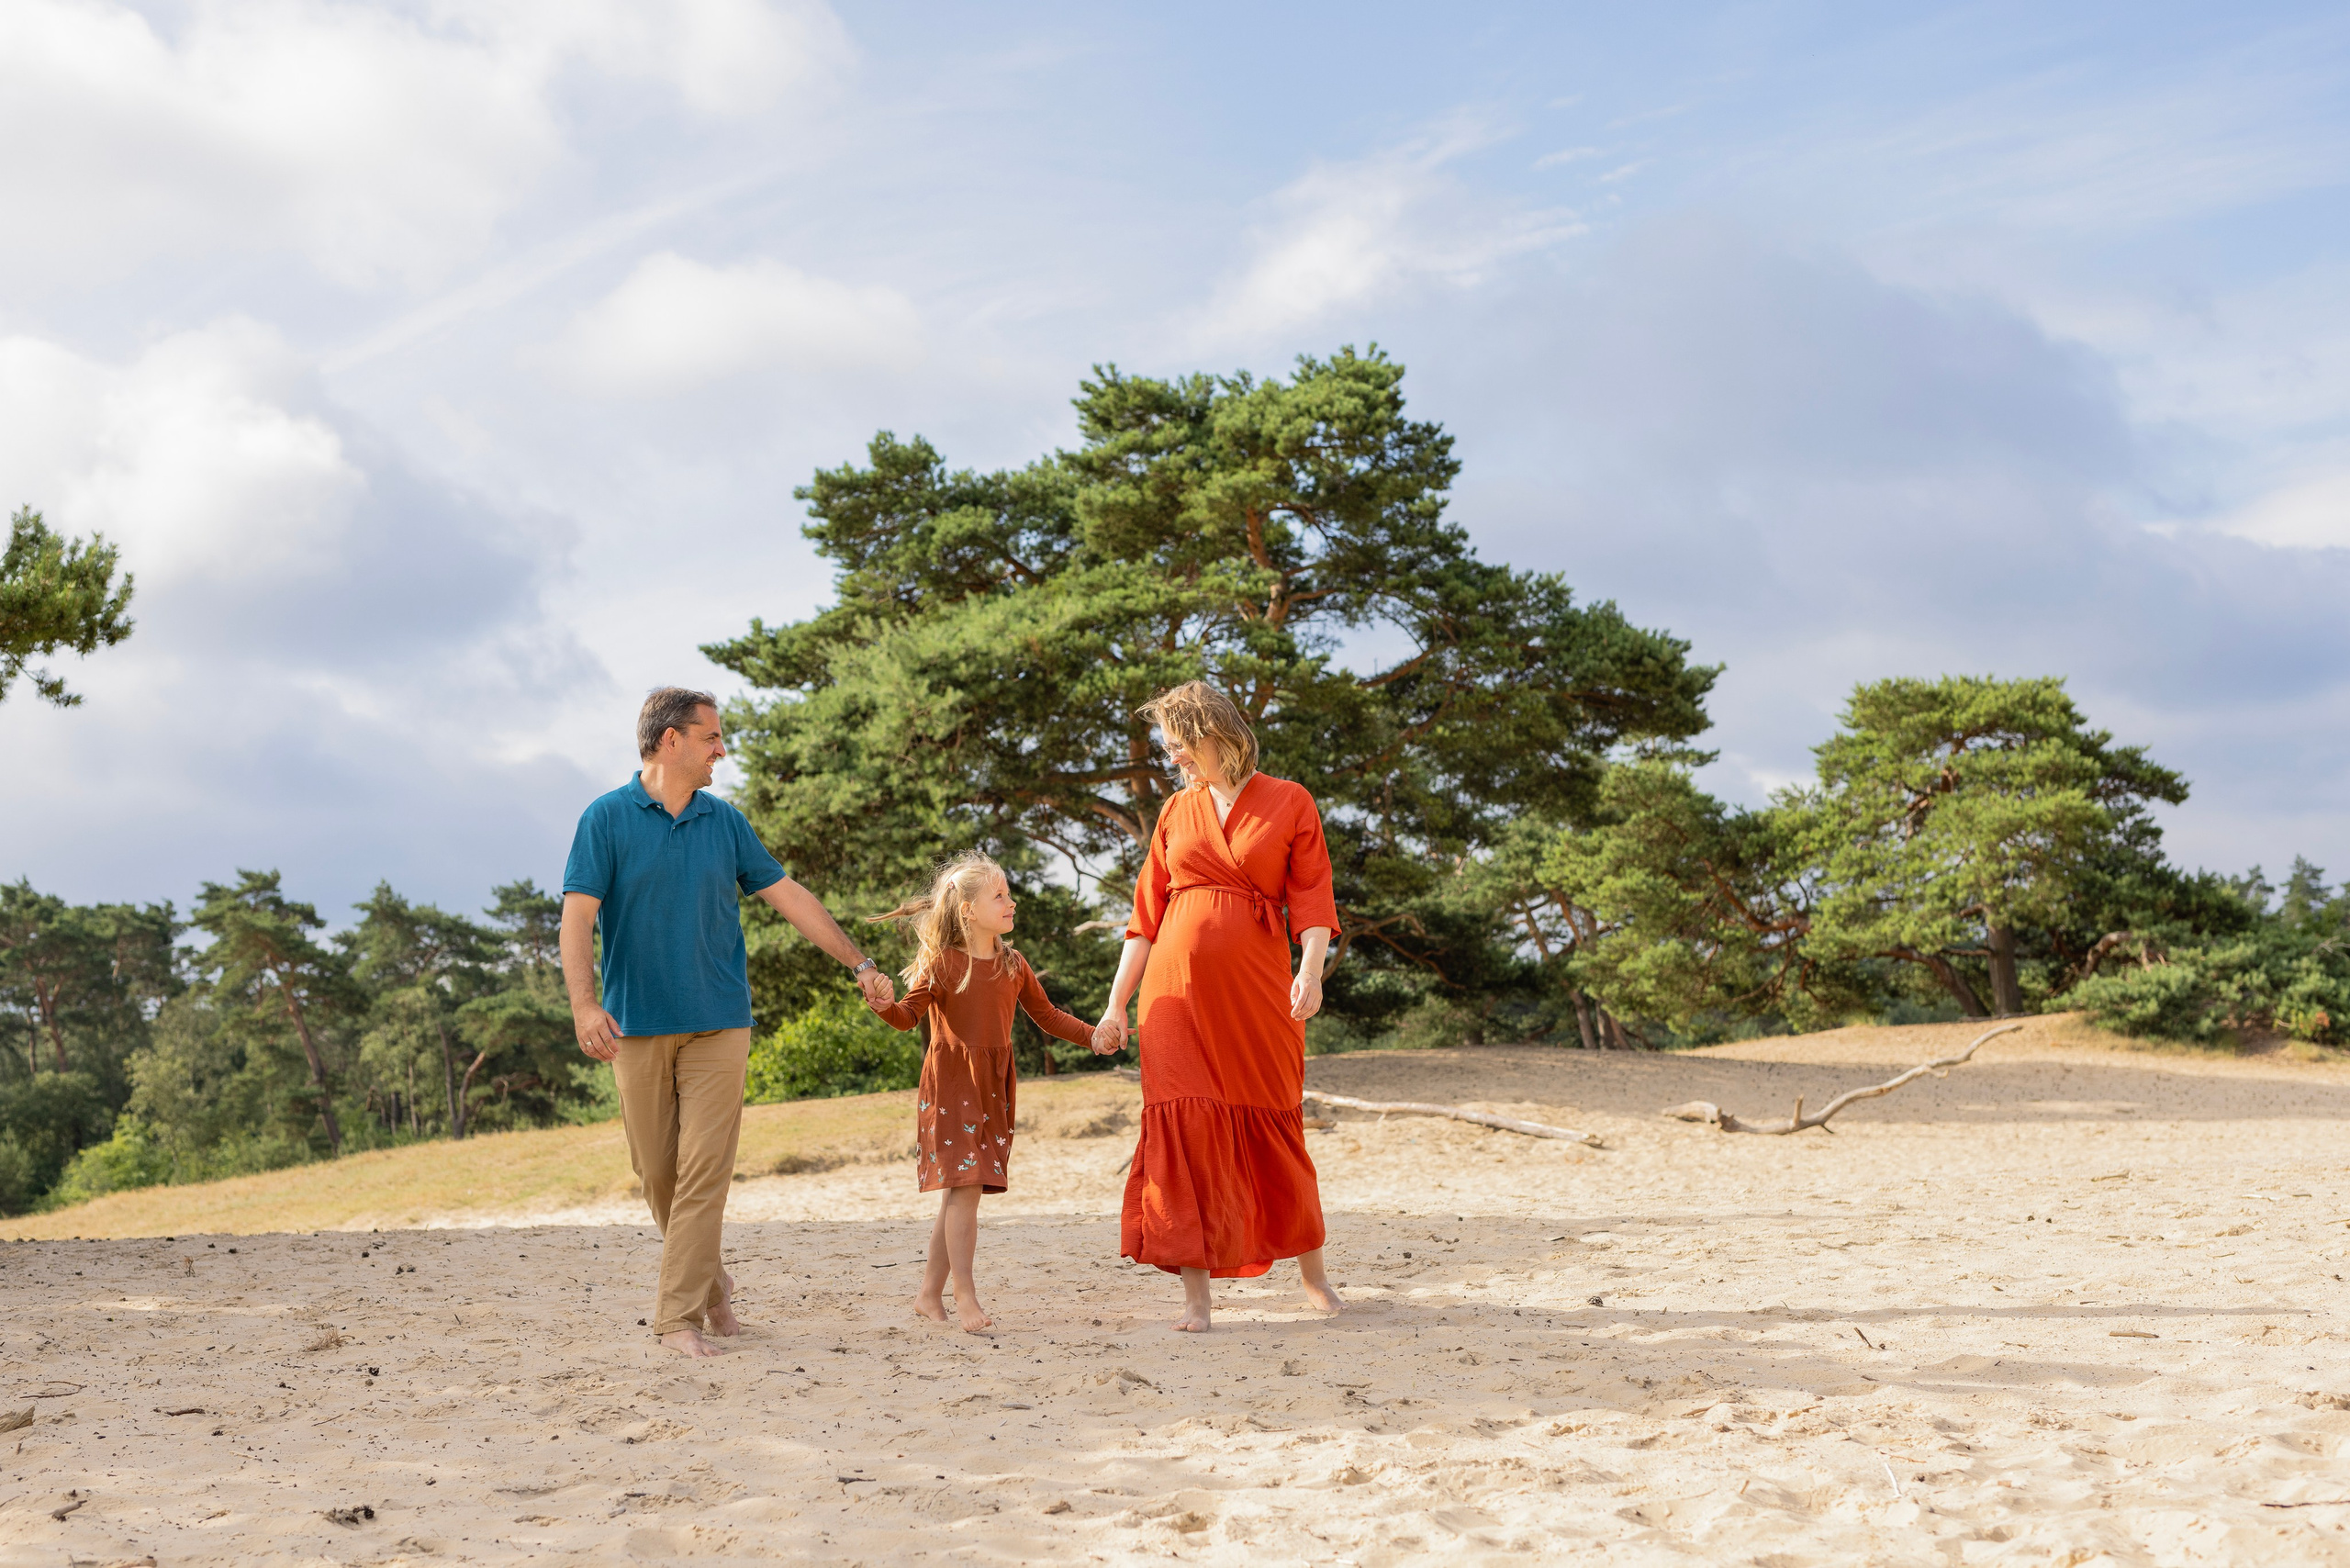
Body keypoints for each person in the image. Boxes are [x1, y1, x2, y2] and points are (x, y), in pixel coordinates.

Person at [561, 687, 894, 1359]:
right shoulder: (605, 819)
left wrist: (859, 963)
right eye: (711, 736)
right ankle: (712, 1284)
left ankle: (678, 1318)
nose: (721, 749)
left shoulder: (725, 823)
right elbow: (577, 918)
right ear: (669, 740)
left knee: (704, 1173)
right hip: (636, 1025)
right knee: (658, 1174)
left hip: (720, 1021)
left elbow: (789, 897)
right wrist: (584, 1005)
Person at [1092, 680, 1344, 1332]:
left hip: (1260, 993)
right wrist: (1117, 1005)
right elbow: (1144, 918)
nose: (1173, 756)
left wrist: (1311, 972)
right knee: (1187, 1130)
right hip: (1173, 998)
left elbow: (1314, 900)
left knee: (1274, 1118)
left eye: (1179, 743)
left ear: (1214, 733)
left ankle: (1314, 1278)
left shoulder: (1290, 801)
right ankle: (1197, 1300)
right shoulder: (1177, 811)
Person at [865, 852, 1118, 1332]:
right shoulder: (943, 964)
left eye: (1008, 893)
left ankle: (927, 1296)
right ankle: (965, 1295)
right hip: (952, 1085)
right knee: (965, 1194)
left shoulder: (1014, 963)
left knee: (962, 1193)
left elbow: (1047, 1017)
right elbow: (905, 1018)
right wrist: (882, 1004)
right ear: (967, 910)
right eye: (999, 895)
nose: (1011, 902)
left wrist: (1093, 1035)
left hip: (994, 1088)